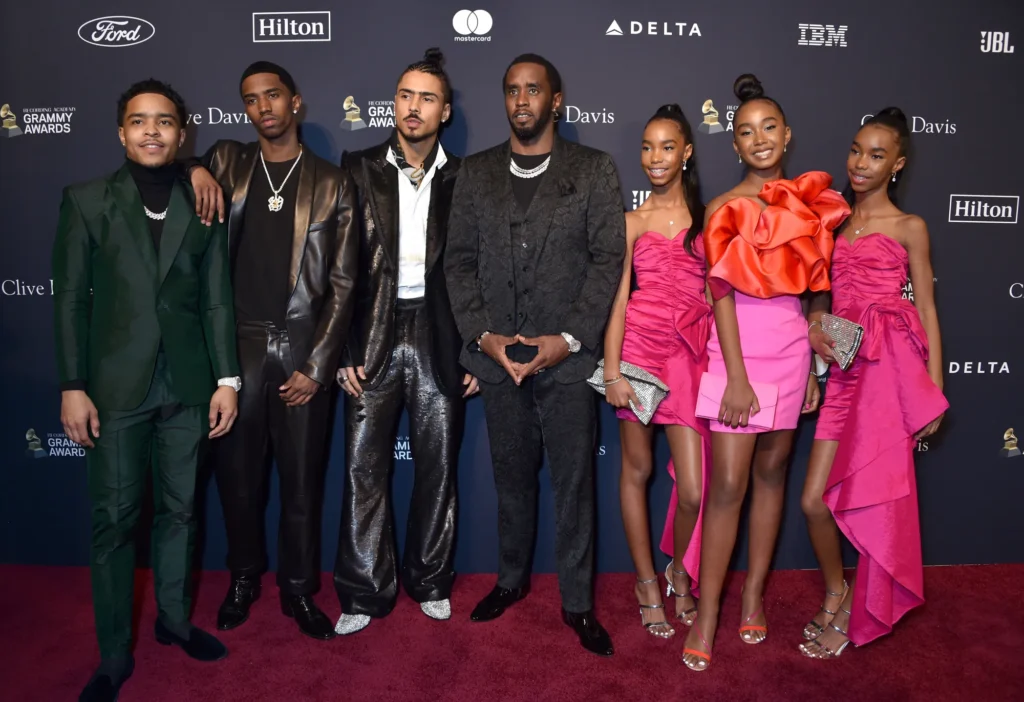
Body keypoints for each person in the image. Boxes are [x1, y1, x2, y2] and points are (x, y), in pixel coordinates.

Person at [53, 79, 239, 702]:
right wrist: (73, 385)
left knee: (181, 513)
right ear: (120, 131)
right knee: (113, 521)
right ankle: (112, 655)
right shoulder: (85, 201)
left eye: (164, 121)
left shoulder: (204, 201)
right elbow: (70, 302)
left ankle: (175, 619)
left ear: (182, 132)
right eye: (139, 121)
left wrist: (227, 379)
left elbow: (217, 297)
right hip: (113, 390)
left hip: (188, 385)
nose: (152, 130)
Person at [444, 53, 625, 656]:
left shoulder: (595, 170)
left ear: (556, 99)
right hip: (498, 361)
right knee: (511, 480)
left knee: (574, 487)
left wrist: (568, 340)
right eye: (512, 91)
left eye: (533, 90)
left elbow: (607, 261)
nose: (522, 100)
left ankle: (577, 604)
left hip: (567, 362)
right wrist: (484, 338)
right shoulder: (474, 173)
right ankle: (511, 580)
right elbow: (459, 263)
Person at [681, 74, 849, 671]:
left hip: (792, 352)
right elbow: (719, 292)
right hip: (739, 356)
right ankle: (707, 612)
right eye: (746, 132)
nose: (759, 139)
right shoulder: (724, 207)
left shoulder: (810, 207)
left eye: (769, 128)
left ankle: (753, 594)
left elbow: (818, 292)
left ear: (787, 135)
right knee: (728, 486)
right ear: (733, 144)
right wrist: (735, 376)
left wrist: (813, 362)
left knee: (773, 476)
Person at [186, 62, 358, 640]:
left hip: (303, 349)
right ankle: (242, 579)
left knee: (303, 482)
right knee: (238, 480)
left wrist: (317, 364)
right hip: (238, 348)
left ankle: (300, 590)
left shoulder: (332, 182)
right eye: (251, 99)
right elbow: (176, 163)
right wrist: (192, 168)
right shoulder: (227, 163)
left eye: (273, 96)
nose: (263, 107)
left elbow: (343, 284)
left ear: (296, 101)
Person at [332, 49, 476, 635]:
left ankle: (431, 580)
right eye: (404, 96)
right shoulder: (357, 165)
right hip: (373, 333)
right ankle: (364, 591)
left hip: (439, 333)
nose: (413, 108)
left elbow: (476, 271)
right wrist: (340, 350)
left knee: (438, 467)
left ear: (444, 112)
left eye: (426, 98)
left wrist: (475, 348)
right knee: (363, 466)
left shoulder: (465, 178)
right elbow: (338, 269)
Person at [799, 108, 947, 658]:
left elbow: (927, 311)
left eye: (876, 155)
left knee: (874, 499)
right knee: (815, 502)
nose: (861, 163)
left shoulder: (911, 227)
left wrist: (932, 390)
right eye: (857, 150)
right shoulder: (832, 221)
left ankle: (860, 609)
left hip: (888, 376)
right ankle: (839, 591)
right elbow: (819, 297)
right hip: (842, 371)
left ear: (897, 164)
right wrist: (815, 327)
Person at [601, 104, 710, 639]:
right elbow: (618, 302)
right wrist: (614, 369)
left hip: (689, 357)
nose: (655, 157)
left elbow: (721, 299)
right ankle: (647, 582)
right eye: (647, 147)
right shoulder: (632, 221)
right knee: (636, 471)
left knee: (693, 489)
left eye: (667, 147)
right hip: (639, 352)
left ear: (687, 152)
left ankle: (679, 570)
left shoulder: (710, 220)